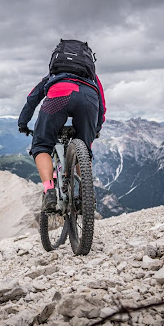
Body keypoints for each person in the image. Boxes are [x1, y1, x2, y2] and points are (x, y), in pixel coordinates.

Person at [18, 40, 106, 212]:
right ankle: (85, 195)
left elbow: (32, 99)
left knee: (42, 145)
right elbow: (102, 104)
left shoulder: (53, 76)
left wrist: (23, 123)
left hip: (59, 95)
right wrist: (96, 129)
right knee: (85, 149)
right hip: (89, 100)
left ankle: (49, 191)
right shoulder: (93, 78)